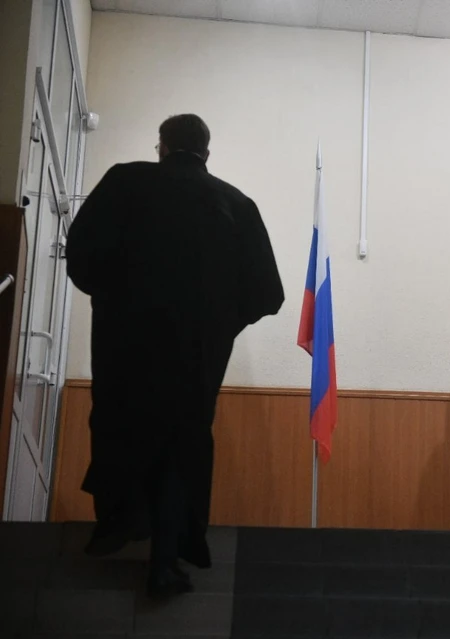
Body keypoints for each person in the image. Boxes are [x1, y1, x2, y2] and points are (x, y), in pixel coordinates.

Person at [66, 114, 284, 598]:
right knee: (181, 445)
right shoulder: (236, 204)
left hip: (126, 345)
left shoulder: (125, 181)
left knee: (121, 423)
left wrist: (113, 299)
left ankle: (119, 521)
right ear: (207, 153)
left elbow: (79, 253)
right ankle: (165, 561)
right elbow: (268, 293)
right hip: (195, 356)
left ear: (162, 147)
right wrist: (220, 324)